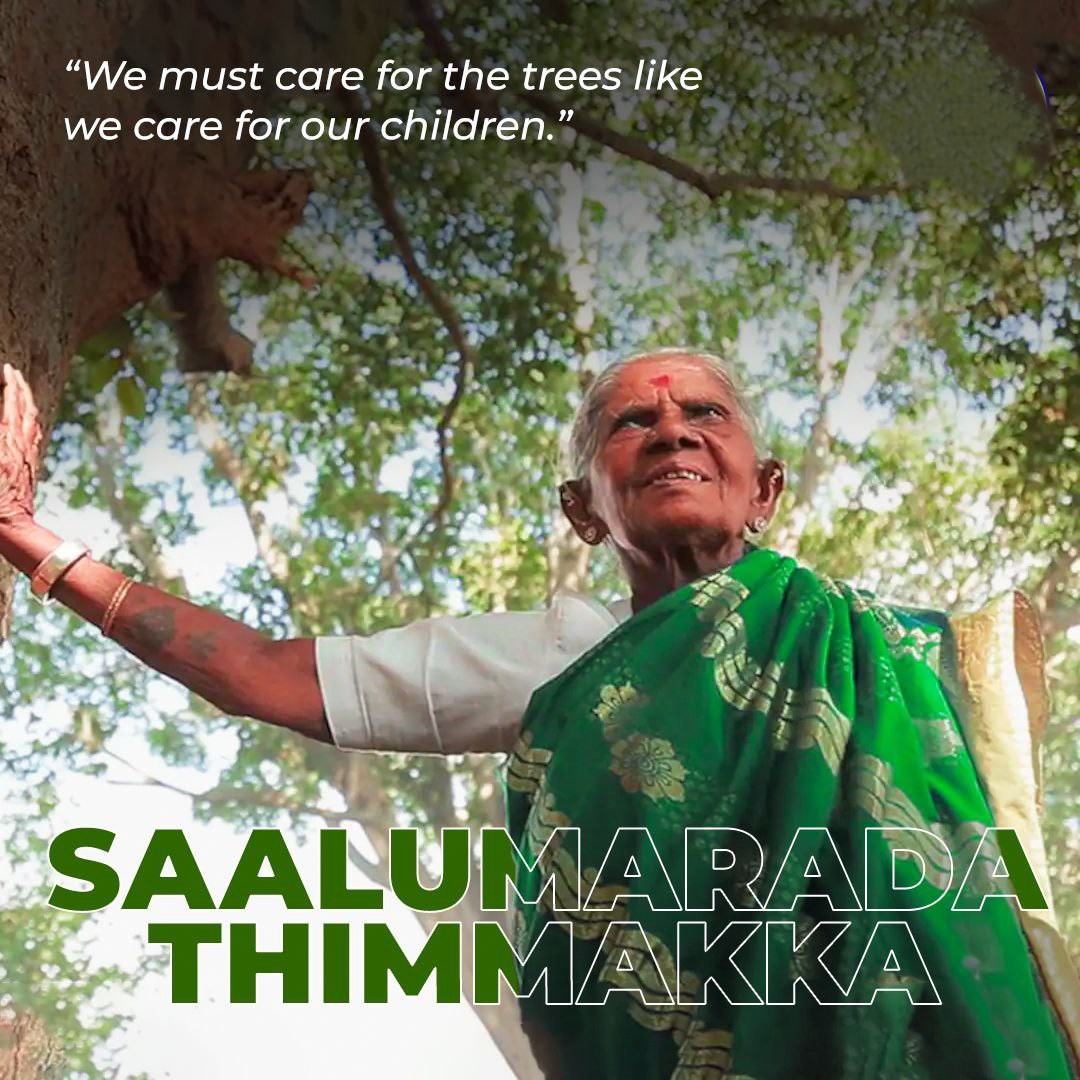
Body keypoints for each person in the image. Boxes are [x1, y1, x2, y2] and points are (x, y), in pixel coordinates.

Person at [0, 350, 1077, 1079]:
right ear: (582, 508)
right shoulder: (553, 657)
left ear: (765, 488)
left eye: (705, 413)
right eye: (632, 423)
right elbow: (261, 675)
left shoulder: (904, 656)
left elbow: (1007, 880)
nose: (672, 432)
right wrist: (29, 540)